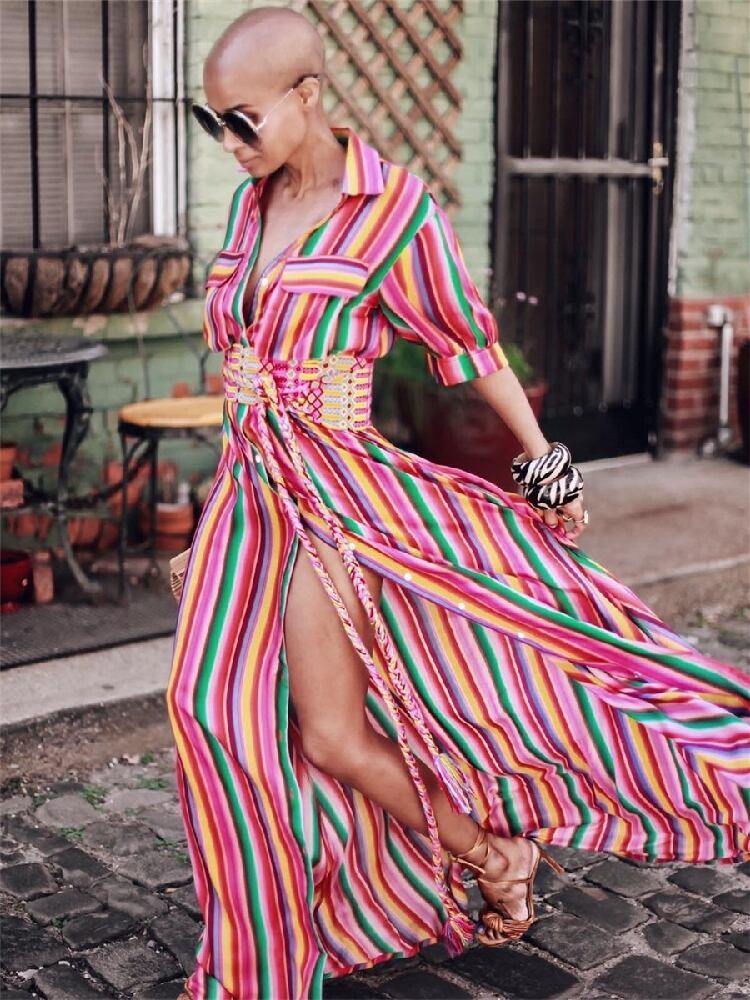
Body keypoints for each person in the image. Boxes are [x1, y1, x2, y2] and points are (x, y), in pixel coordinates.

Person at [167, 6, 750, 999]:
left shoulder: (393, 214)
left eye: (242, 120)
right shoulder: (249, 206)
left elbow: (470, 346)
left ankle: (489, 854)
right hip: (249, 502)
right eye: (212, 120)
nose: (228, 142)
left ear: (307, 96)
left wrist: (545, 458)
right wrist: (214, 501)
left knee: (327, 734)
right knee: (212, 711)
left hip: (336, 502)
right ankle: (336, 887)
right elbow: (243, 368)